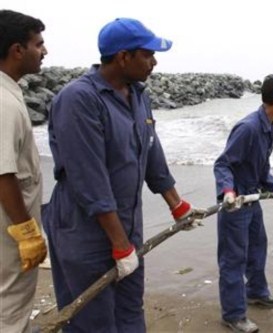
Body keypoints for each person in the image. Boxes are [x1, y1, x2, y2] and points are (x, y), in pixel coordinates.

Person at [42, 18, 204, 332]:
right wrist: (118, 243)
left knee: (130, 309)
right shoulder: (79, 99)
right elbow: (89, 179)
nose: (154, 62)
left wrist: (177, 204)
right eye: (148, 54)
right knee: (92, 320)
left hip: (127, 225)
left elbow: (152, 153)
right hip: (84, 231)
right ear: (123, 57)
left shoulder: (138, 95)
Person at [213, 75, 273, 333]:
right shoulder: (248, 128)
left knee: (258, 247)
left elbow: (259, 168)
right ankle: (233, 315)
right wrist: (227, 192)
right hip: (235, 203)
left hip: (253, 199)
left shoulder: (268, 128)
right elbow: (223, 164)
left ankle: (256, 292)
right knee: (233, 259)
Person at [0, 10, 48, 333]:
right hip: (9, 233)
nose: (44, 51)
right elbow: (3, 174)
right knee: (10, 310)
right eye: (38, 44)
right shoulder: (3, 103)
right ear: (18, 50)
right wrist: (27, 233)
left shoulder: (10, 92)